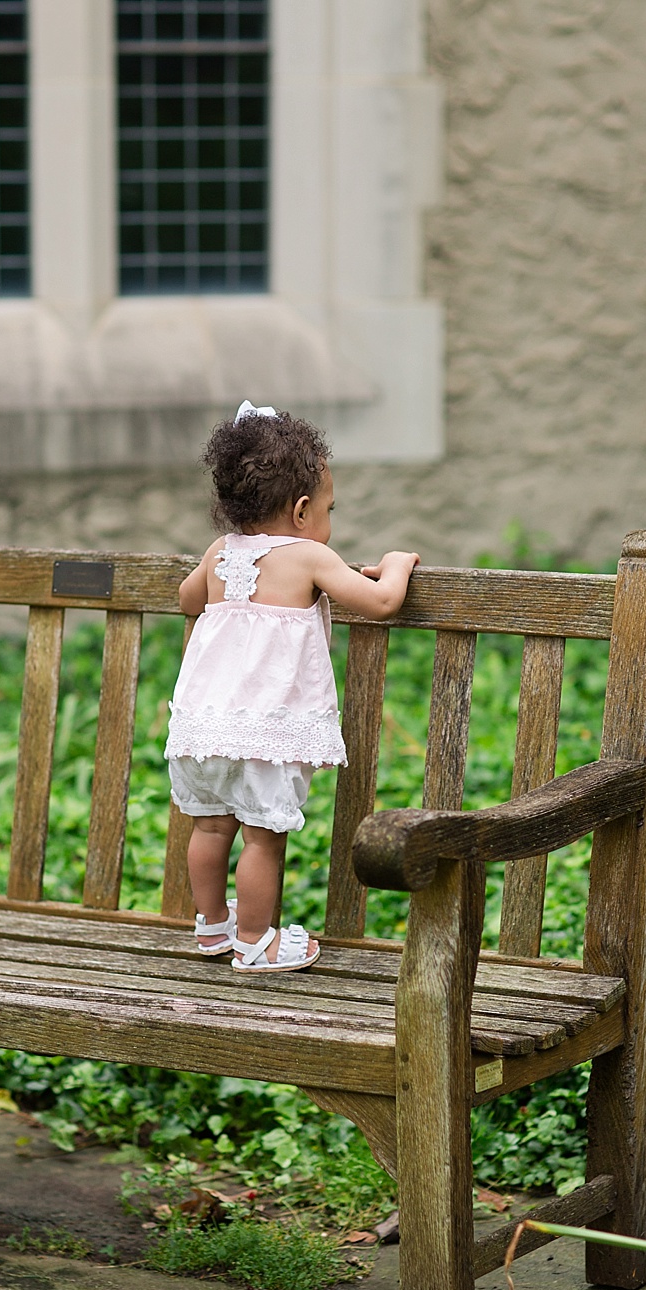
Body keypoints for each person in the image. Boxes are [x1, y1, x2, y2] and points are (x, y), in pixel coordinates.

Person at [165, 400, 419, 973]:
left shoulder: (220, 553)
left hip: (202, 727)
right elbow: (380, 601)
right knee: (261, 837)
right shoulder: (309, 555)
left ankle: (212, 930)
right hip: (264, 730)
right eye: (330, 508)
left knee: (209, 826)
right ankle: (256, 941)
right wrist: (396, 563)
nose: (330, 521)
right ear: (303, 510)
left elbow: (187, 600)